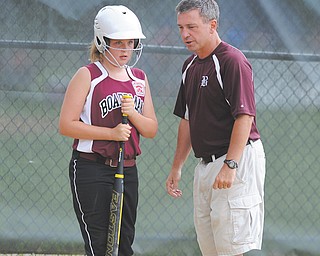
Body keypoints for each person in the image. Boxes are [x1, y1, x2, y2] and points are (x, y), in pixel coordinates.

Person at [165, 0, 266, 255]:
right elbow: (187, 120)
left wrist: (231, 165)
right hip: (205, 166)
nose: (185, 34)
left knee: (232, 247)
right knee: (209, 247)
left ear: (212, 25)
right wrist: (177, 166)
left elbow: (245, 117)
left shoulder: (232, 61)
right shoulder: (189, 66)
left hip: (235, 160)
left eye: (191, 27)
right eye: (180, 28)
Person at [59, 5, 157, 256]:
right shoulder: (88, 75)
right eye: (119, 43)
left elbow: (151, 129)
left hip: (128, 168)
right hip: (92, 168)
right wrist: (111, 134)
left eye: (130, 43)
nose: (126, 49)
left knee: (124, 245)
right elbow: (66, 124)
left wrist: (133, 114)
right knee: (100, 246)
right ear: (103, 41)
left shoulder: (139, 78)